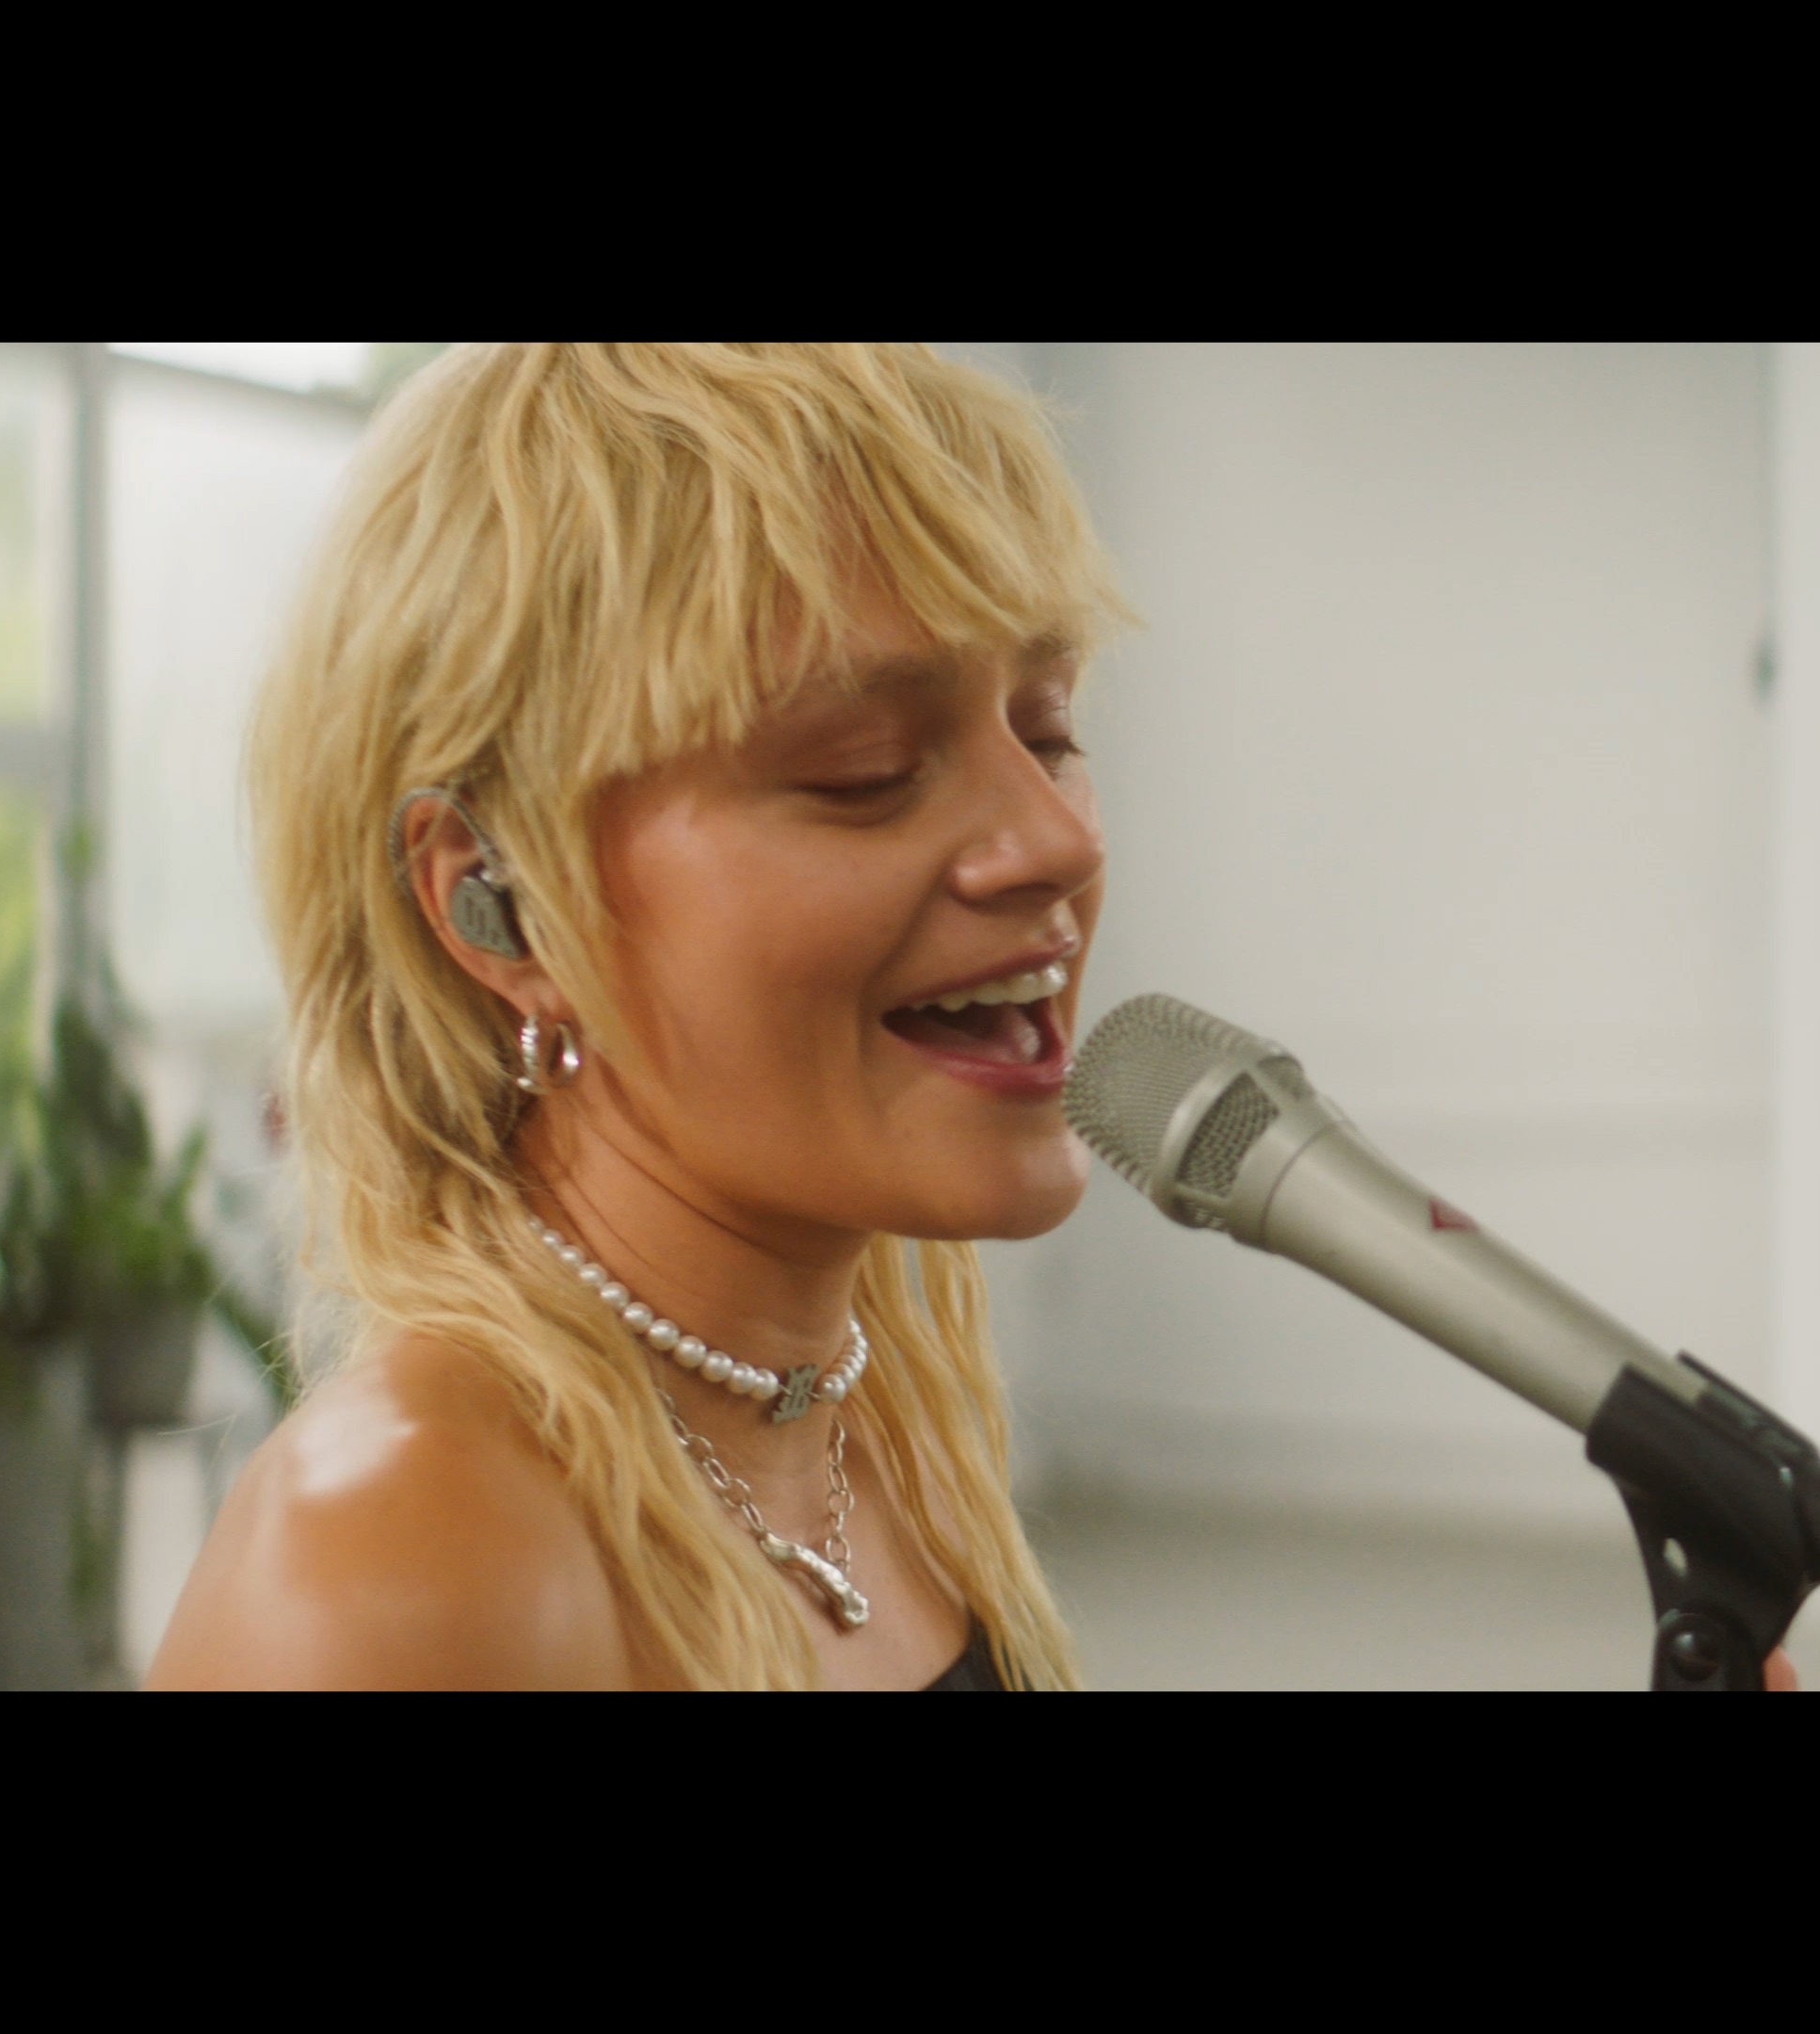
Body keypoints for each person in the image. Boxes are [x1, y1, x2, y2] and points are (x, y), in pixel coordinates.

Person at [149, 344, 1110, 1688]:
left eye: (1047, 732)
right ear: (500, 906)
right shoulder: (401, 1567)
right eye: (866, 772)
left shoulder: (878, 1434)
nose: (1057, 839)